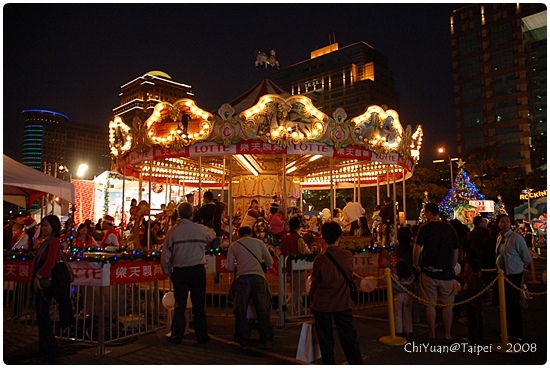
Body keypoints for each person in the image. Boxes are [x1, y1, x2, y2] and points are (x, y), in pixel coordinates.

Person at [161, 202, 215, 345]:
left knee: (180, 305)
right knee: (199, 305)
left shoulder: (173, 232)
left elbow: (166, 255)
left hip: (180, 271)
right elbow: (212, 235)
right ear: (192, 214)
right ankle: (202, 336)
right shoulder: (200, 229)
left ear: (178, 214)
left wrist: (167, 271)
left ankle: (176, 335)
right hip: (197, 270)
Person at [309, 221, 363, 365]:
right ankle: (356, 363)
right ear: (339, 237)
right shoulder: (347, 255)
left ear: (324, 238)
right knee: (349, 337)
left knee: (326, 339)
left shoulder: (320, 260)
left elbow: (315, 282)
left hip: (323, 303)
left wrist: (311, 298)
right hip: (343, 302)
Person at [412, 203, 459, 342]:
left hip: (429, 271)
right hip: (446, 272)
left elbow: (417, 248)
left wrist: (416, 264)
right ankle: (447, 334)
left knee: (430, 305)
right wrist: (452, 265)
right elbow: (456, 250)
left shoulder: (425, 228)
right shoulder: (449, 228)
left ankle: (432, 333)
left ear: (428, 212)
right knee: (447, 305)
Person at [31, 215, 74, 364]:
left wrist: (38, 276)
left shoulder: (54, 242)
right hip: (44, 280)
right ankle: (47, 349)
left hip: (46, 282)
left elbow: (50, 262)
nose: (43, 228)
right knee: (41, 316)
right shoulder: (45, 241)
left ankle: (50, 350)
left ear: (54, 227)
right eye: (42, 225)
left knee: (43, 316)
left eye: (46, 226)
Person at [226, 226, 274, 349]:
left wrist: (240, 266)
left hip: (242, 278)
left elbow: (230, 267)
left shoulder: (234, 246)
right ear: (251, 233)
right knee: (262, 308)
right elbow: (270, 261)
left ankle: (243, 337)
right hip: (258, 277)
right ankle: (266, 338)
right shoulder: (259, 243)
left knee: (241, 308)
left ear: (239, 234)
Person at [495, 213, 531, 341]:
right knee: (505, 304)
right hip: (502, 275)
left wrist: (518, 267)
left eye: (507, 221)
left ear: (510, 223)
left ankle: (516, 332)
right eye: (501, 221)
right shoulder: (500, 237)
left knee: (513, 304)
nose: (504, 224)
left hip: (513, 275)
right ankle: (508, 329)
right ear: (498, 223)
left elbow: (526, 257)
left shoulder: (516, 238)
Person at [280, 216, 311, 314]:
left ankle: (297, 308)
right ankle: (285, 307)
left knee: (294, 289)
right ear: (298, 226)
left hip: (287, 266)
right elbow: (303, 251)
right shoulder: (298, 238)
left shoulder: (285, 236)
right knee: (298, 290)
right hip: (298, 266)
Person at [460, 259, 484, 343]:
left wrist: (462, 295)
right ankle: (479, 336)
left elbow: (470, 291)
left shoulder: (472, 279)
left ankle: (473, 337)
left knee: (472, 320)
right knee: (478, 320)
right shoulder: (478, 277)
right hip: (478, 302)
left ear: (471, 269)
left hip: (472, 303)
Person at [392, 259, 415, 337]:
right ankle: (408, 330)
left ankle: (398, 330)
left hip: (398, 295)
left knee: (398, 314)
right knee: (408, 314)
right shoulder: (411, 276)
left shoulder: (395, 276)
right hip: (408, 295)